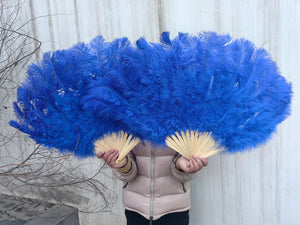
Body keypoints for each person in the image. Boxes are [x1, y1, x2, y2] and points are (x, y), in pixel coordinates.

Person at [97, 140, 208, 225]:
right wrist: (123, 164)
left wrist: (181, 165)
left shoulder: (184, 117)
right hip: (136, 208)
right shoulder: (128, 117)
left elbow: (184, 160)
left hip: (174, 208)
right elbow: (129, 172)